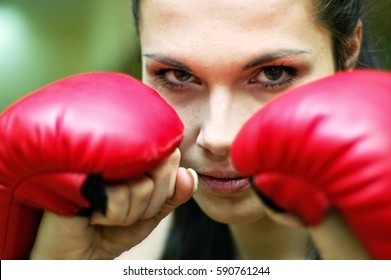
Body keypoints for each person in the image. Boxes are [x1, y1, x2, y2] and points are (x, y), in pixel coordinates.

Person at [29, 0, 381, 260]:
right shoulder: (121, 253)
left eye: (274, 74)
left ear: (347, 51)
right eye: (178, 76)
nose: (218, 137)